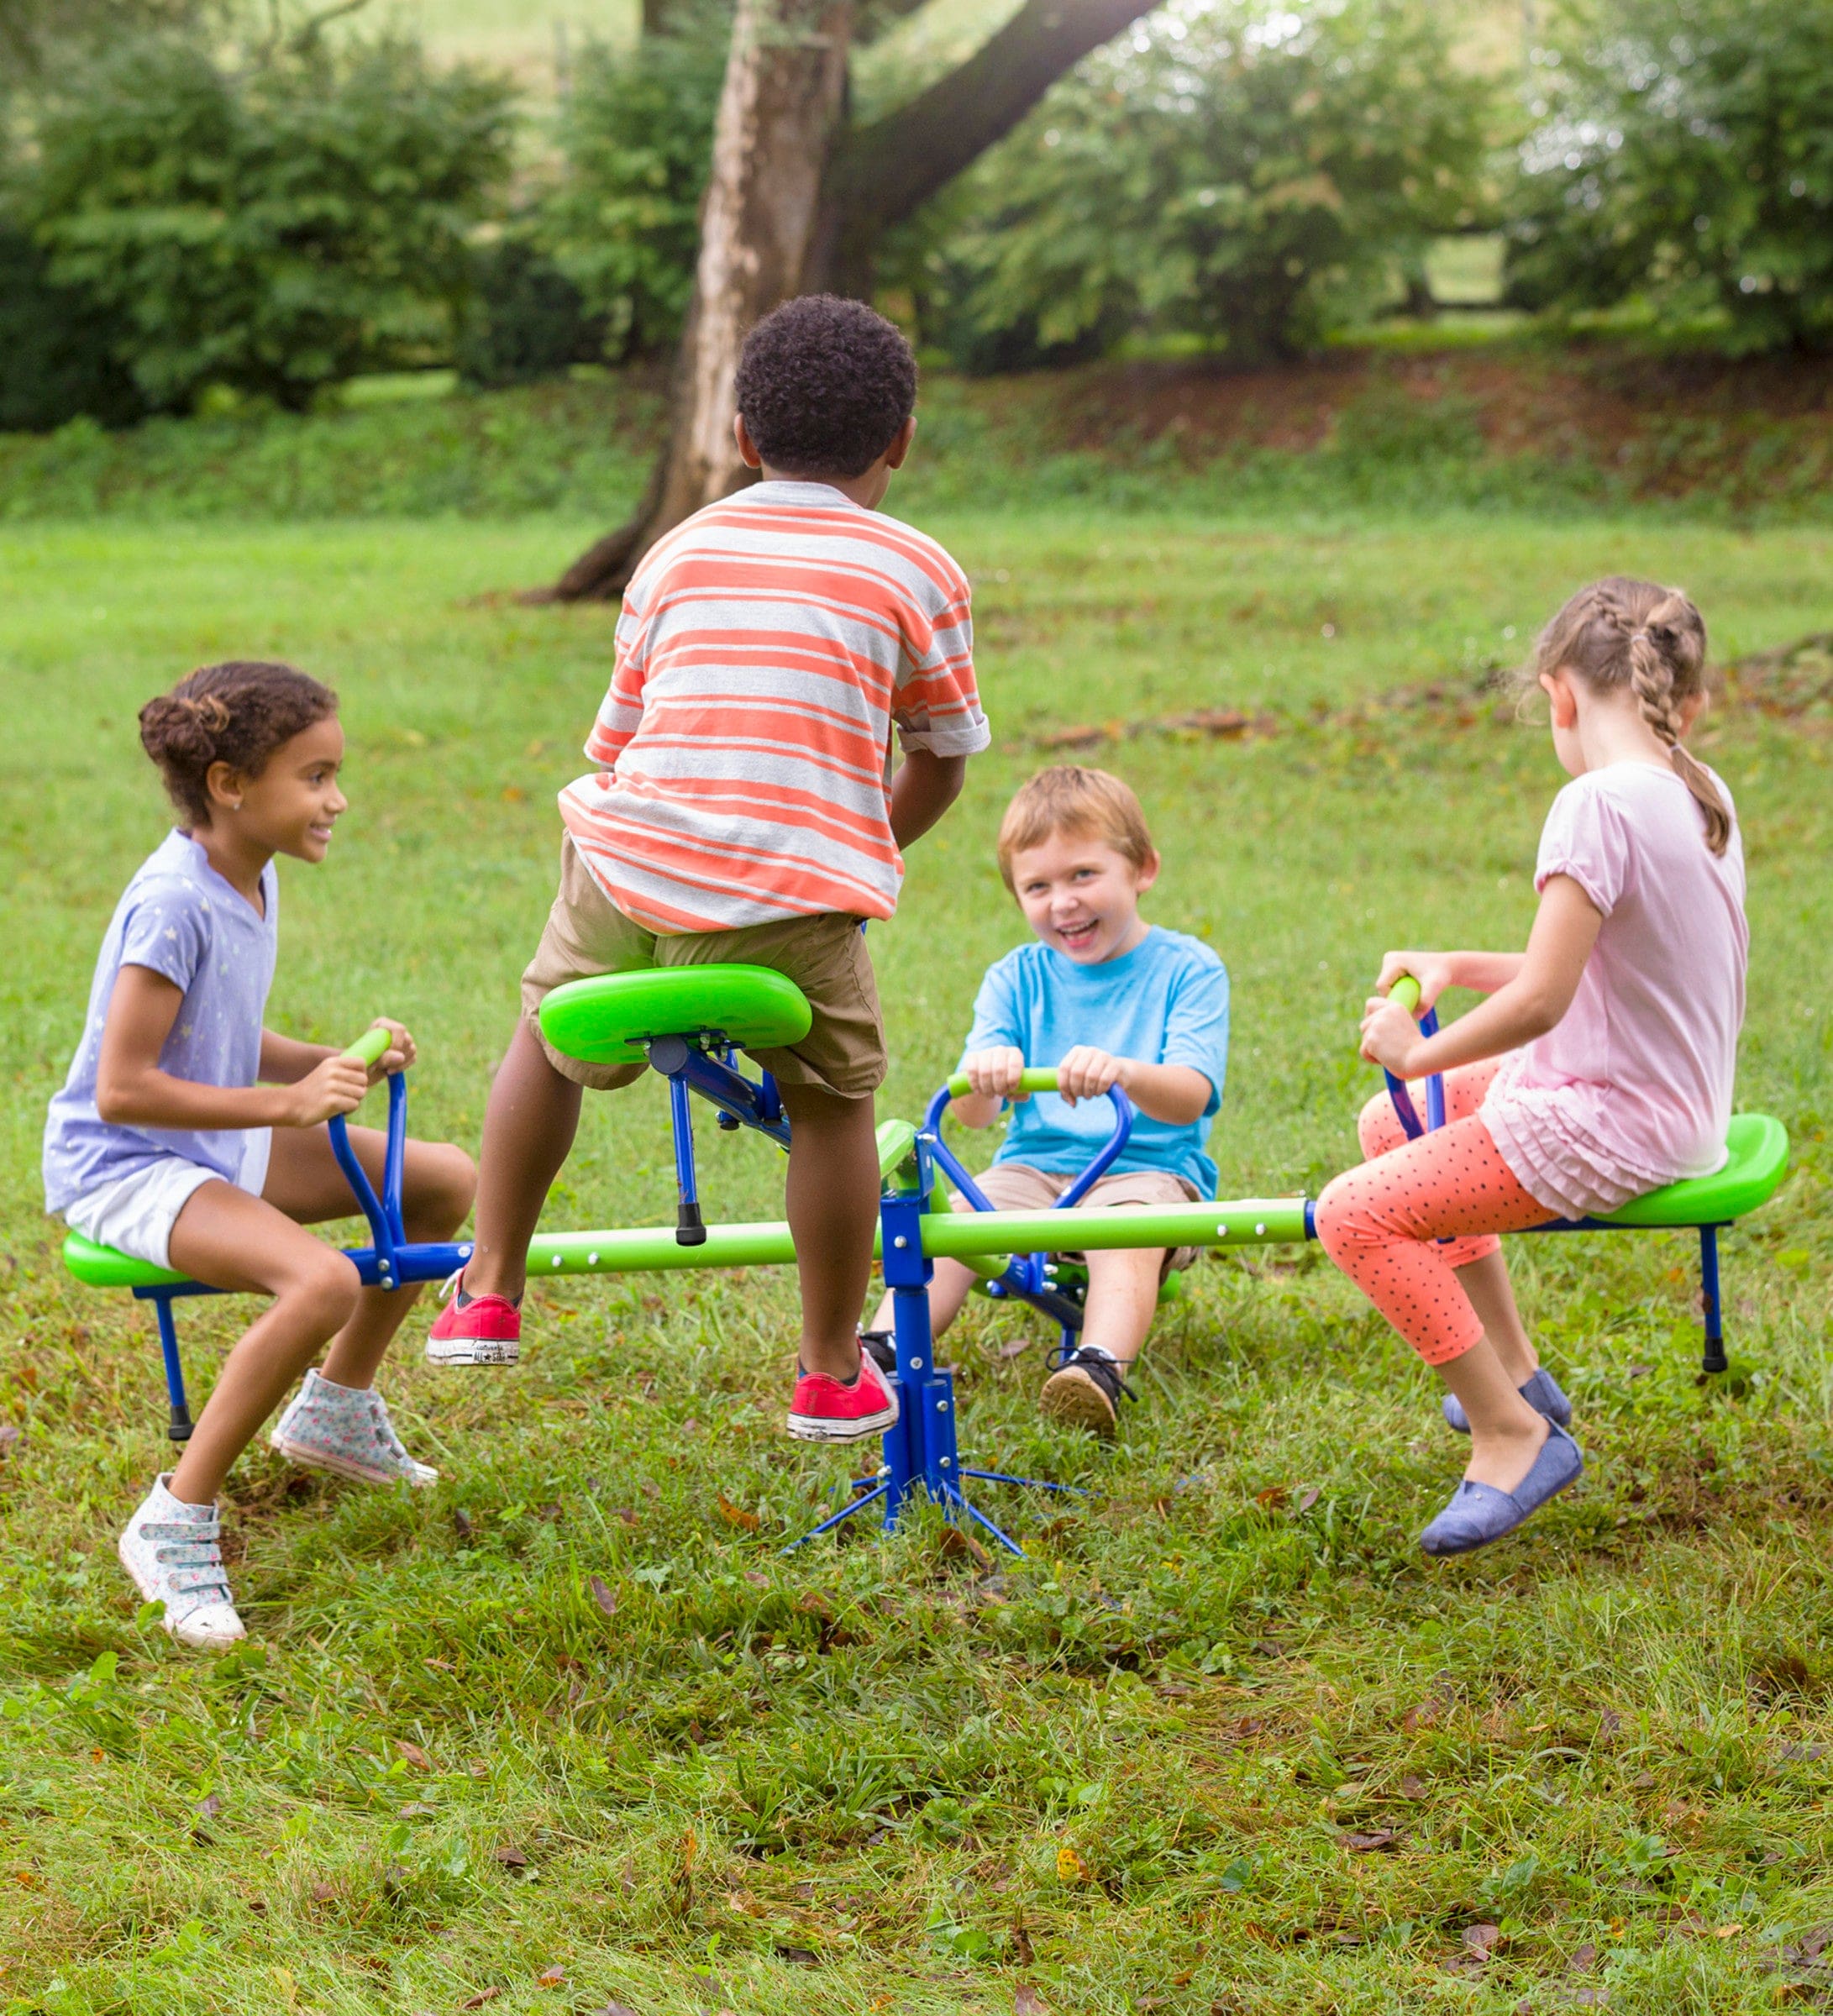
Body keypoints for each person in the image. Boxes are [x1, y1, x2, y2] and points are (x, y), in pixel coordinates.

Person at [428, 295, 990, 1445]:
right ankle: (830, 1366)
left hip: (622, 866)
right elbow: (938, 765)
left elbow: (619, 750)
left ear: (741, 437)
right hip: (794, 898)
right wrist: (852, 847)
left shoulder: (674, 552)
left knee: (544, 1029)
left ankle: (489, 1285)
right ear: (901, 442)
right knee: (834, 1103)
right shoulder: (918, 568)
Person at [44, 661, 476, 1650]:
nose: (339, 799)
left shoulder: (249, 873)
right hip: (127, 1163)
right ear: (232, 785)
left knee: (442, 1181)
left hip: (208, 1142)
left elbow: (222, 1032)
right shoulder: (171, 904)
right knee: (318, 1283)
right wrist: (284, 1102)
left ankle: (334, 1412)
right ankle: (177, 1517)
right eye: (315, 777)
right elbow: (124, 1086)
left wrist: (321, 1058)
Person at [1314, 578, 1746, 1557]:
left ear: (1558, 696)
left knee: (1355, 1211)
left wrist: (1417, 1048)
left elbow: (1547, 1000)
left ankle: (1514, 1437)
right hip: (1660, 1102)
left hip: (1607, 1119)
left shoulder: (1590, 803)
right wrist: (1458, 968)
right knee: (1393, 1128)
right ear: (1689, 701)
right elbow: (1603, 967)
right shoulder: (1700, 788)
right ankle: (1514, 1373)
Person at [864, 766, 1229, 1436]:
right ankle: (882, 1351)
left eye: (1083, 875)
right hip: (1032, 1168)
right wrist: (986, 1078)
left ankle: (1096, 1368)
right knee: (953, 1226)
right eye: (1038, 887)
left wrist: (1123, 1071)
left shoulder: (1188, 969)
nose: (1063, 902)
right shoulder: (1015, 978)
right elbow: (970, 1117)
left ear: (1142, 869)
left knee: (1124, 1229)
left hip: (1145, 1170)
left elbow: (1191, 1097)